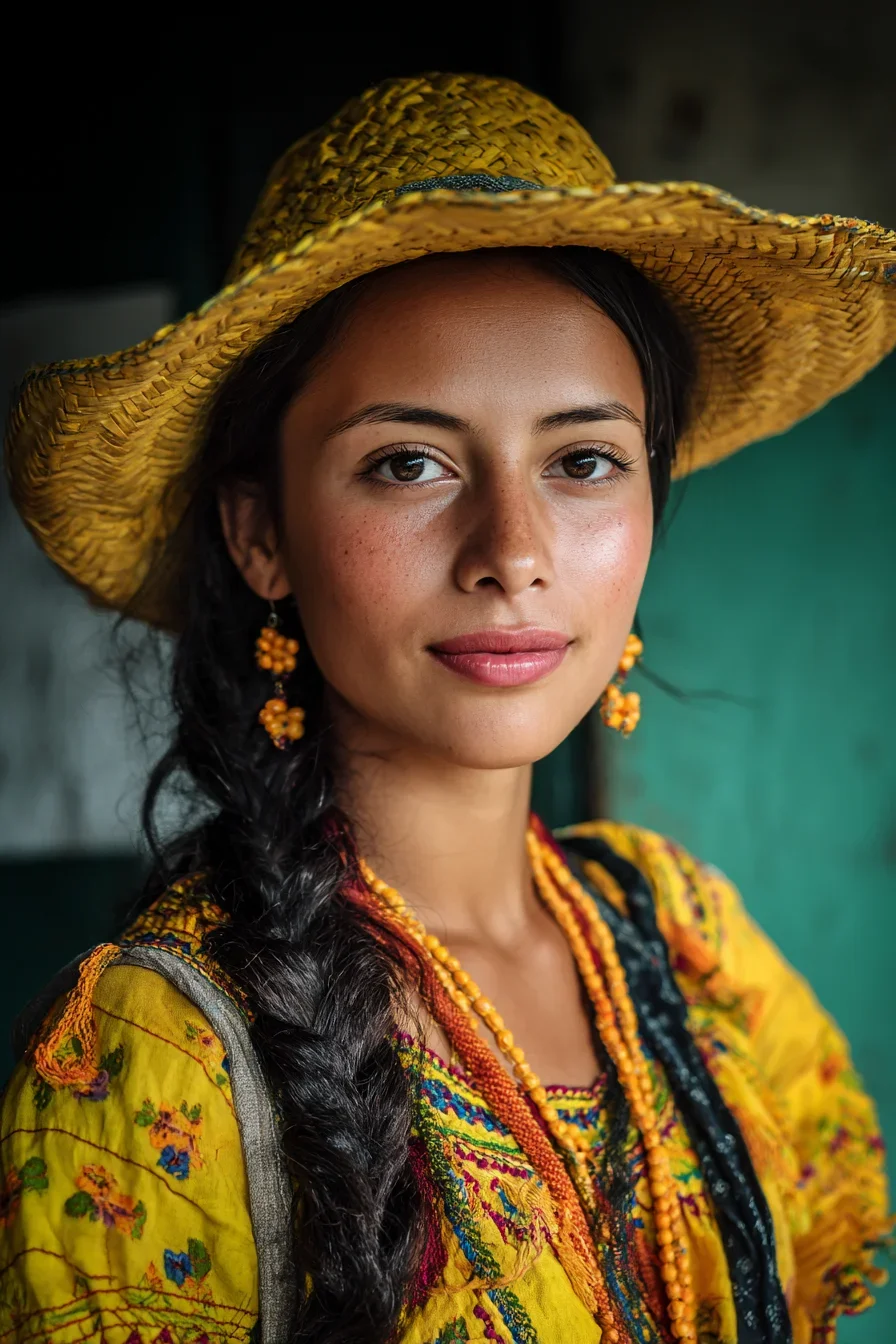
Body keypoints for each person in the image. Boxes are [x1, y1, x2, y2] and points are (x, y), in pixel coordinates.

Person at [1, 72, 893, 1344]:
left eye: (582, 460)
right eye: (407, 462)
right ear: (262, 535)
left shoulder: (691, 950)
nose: (511, 549)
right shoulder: (159, 1055)